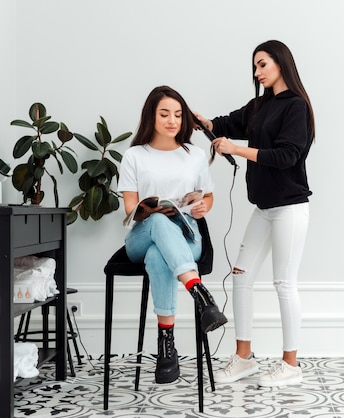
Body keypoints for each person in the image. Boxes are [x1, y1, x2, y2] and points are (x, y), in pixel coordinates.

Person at [195, 40, 315, 387]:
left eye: (262, 65)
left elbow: (286, 156)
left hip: (290, 208)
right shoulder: (260, 105)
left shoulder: (296, 107)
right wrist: (204, 123)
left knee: (283, 283)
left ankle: (290, 364)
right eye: (255, 67)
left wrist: (238, 149)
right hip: (263, 209)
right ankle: (244, 357)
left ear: (280, 63)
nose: (257, 72)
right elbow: (229, 123)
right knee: (240, 277)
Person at [118, 85, 227, 384]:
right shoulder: (134, 156)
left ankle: (166, 347)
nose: (172, 120)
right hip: (141, 234)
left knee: (159, 255)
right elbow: (129, 206)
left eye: (178, 115)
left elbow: (208, 198)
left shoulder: (193, 155)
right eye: (164, 114)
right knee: (158, 225)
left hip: (187, 236)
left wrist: (203, 206)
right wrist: (150, 210)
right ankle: (200, 293)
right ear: (151, 116)